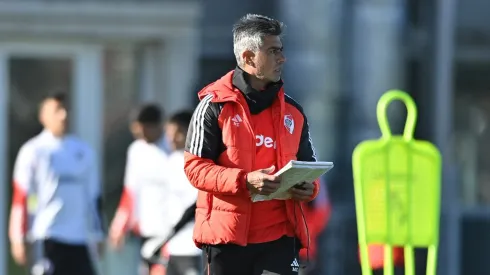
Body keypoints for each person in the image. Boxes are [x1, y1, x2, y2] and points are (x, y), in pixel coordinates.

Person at [184, 14, 320, 275]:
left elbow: (309, 168)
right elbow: (194, 168)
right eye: (273, 51)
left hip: (281, 238)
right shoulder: (213, 106)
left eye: (282, 50)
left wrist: (308, 187)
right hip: (227, 239)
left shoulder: (294, 112)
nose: (282, 58)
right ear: (247, 58)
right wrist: (245, 180)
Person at [9, 92, 105, 275]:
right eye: (57, 110)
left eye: (66, 110)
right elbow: (22, 197)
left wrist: (98, 233)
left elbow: (94, 196)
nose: (63, 116)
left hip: (79, 239)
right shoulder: (33, 151)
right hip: (47, 237)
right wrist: (18, 237)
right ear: (43, 116)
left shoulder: (84, 151)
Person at [109, 103, 172, 275]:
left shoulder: (173, 149)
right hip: (146, 230)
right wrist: (119, 226)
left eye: (144, 129)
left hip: (170, 231)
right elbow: (130, 192)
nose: (140, 135)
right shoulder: (136, 151)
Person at [160, 110, 201, 275]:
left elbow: (196, 204)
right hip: (173, 247)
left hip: (193, 247)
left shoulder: (198, 162)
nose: (172, 138)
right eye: (169, 133)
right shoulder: (170, 162)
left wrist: (175, 229)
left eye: (177, 133)